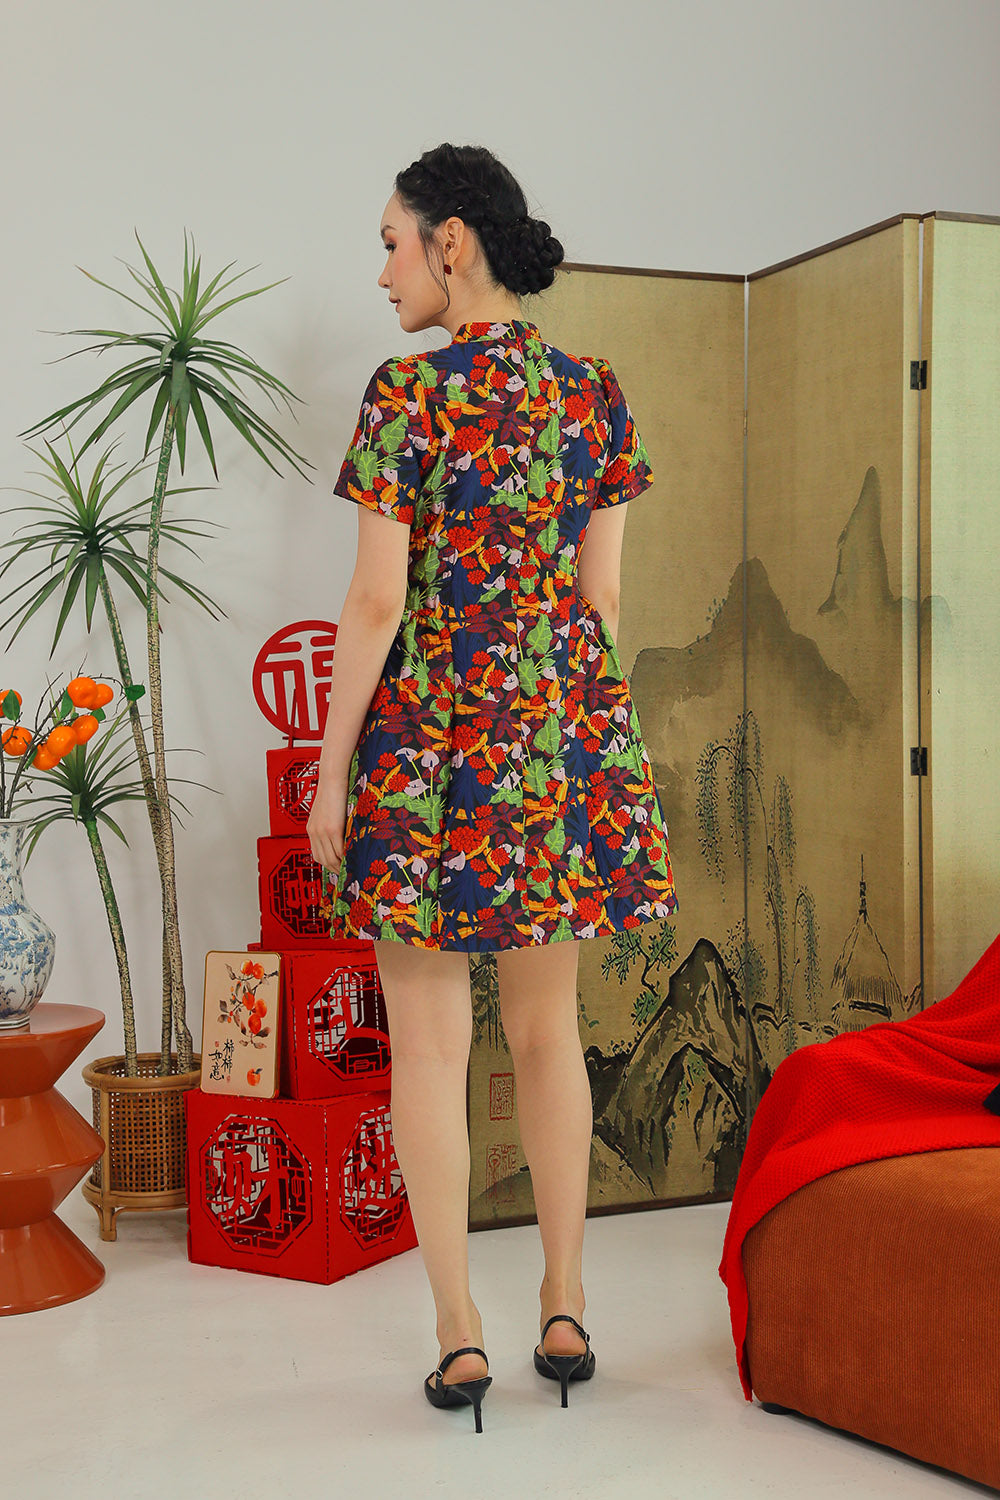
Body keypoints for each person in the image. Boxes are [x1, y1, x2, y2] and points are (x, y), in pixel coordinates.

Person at [307, 142, 679, 1433]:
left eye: (392, 242)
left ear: (450, 239)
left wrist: (331, 772)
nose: (383, 273)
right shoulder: (593, 391)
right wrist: (570, 740)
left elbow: (375, 603)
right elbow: (602, 601)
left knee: (428, 1044)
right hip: (552, 741)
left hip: (427, 749)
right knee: (546, 1033)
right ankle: (565, 1307)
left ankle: (458, 1332)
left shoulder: (408, 394)